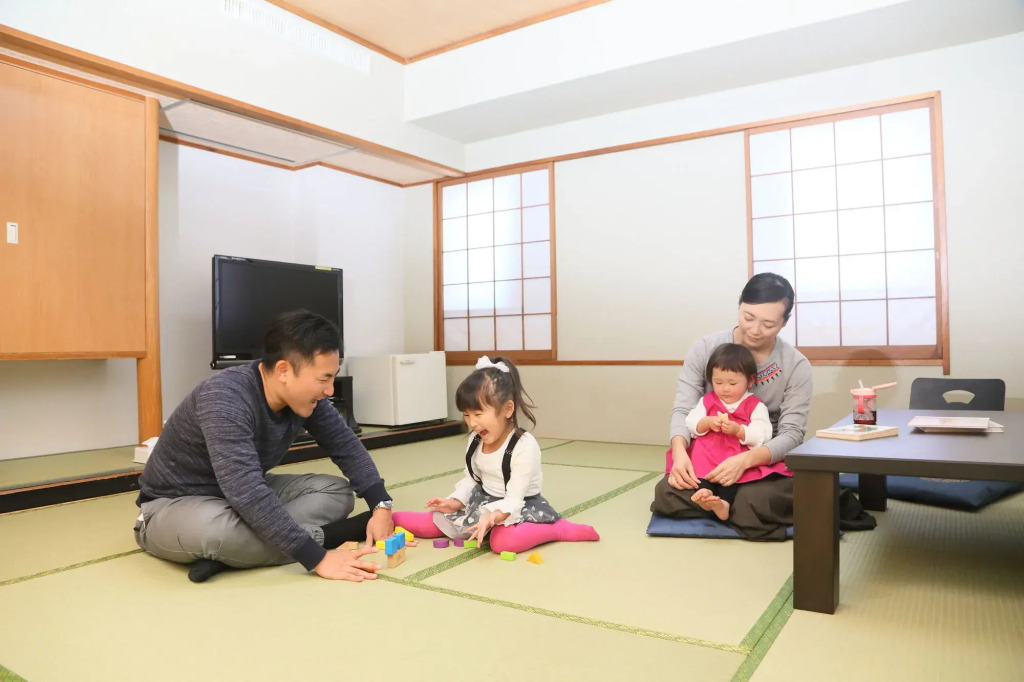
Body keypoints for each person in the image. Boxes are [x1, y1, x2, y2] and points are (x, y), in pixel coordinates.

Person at [134, 310, 393, 582]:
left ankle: (237, 553)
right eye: (322, 379)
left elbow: (344, 444)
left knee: (337, 492)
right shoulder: (224, 397)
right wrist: (318, 557)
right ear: (283, 370)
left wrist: (380, 506)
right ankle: (327, 536)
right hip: (172, 505)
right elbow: (245, 490)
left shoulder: (305, 399)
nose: (329, 390)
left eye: (332, 378)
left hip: (241, 496)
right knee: (215, 532)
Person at [651, 273, 813, 541]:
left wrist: (745, 460)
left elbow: (793, 434)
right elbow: (683, 410)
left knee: (755, 500)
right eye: (748, 317)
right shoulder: (705, 348)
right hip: (710, 455)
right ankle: (727, 507)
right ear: (739, 306)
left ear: (784, 322)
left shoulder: (796, 365)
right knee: (666, 493)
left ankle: (728, 506)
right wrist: (680, 455)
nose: (755, 330)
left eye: (769, 324)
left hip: (760, 456)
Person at [391, 356, 599, 553]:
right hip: (482, 502)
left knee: (502, 543)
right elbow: (472, 479)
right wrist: (455, 501)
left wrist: (495, 517)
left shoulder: (524, 446)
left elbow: (514, 498)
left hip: (520, 505)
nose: (472, 423)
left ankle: (556, 529)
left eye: (478, 414)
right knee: (414, 521)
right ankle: (383, 517)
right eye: (466, 415)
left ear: (507, 409)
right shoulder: (476, 439)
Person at [685, 343, 780, 521]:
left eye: (733, 383)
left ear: (750, 381)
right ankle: (705, 493)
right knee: (700, 469)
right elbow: (691, 423)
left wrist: (739, 431)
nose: (725, 388)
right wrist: (706, 423)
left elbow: (763, 434)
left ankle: (724, 504)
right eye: (718, 382)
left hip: (736, 456)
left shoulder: (755, 405)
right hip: (708, 452)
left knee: (733, 479)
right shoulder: (707, 400)